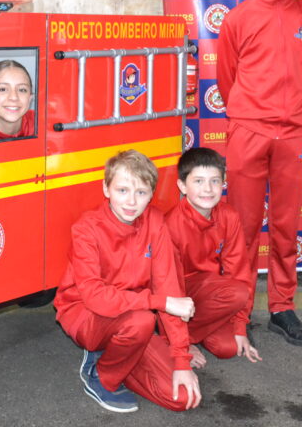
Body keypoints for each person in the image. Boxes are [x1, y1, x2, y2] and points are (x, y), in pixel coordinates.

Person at [216, 0, 302, 346]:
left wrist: (290, 113)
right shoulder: (238, 18)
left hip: (295, 133)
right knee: (242, 228)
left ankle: (282, 308)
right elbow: (227, 79)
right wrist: (253, 114)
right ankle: (238, 312)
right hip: (248, 130)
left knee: (285, 225)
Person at [53, 150, 201, 413]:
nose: (131, 202)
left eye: (141, 193)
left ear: (151, 194)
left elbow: (170, 288)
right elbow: (96, 298)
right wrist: (160, 303)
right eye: (122, 190)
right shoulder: (87, 229)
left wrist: (181, 360)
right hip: (87, 314)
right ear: (106, 189)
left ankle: (123, 357)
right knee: (143, 320)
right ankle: (102, 375)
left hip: (133, 315)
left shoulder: (155, 221)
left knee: (181, 399)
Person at [165, 148, 261, 367]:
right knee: (235, 293)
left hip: (210, 293)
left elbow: (239, 273)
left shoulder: (229, 216)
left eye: (215, 181)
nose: (207, 189)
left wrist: (240, 327)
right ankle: (176, 338)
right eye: (198, 181)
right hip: (178, 294)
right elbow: (167, 287)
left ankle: (193, 332)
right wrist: (181, 344)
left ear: (223, 183)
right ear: (182, 186)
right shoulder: (171, 225)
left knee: (228, 348)